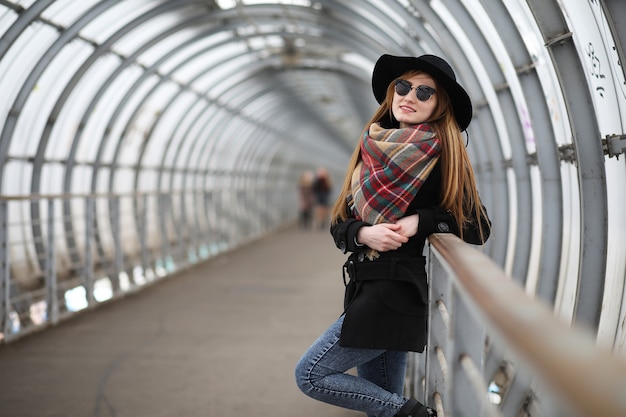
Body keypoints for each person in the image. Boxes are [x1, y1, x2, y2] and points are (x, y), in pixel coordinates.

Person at [294, 54, 491, 417]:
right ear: (391, 92)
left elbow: (478, 226)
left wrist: (423, 221)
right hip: (364, 287)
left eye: (424, 92)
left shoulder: (443, 155)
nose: (409, 96)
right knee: (381, 406)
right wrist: (363, 233)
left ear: (439, 105)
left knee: (310, 374)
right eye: (403, 86)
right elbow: (340, 222)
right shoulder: (371, 146)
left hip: (395, 293)